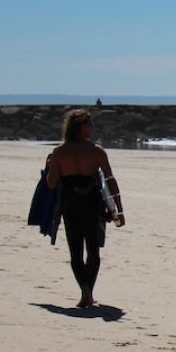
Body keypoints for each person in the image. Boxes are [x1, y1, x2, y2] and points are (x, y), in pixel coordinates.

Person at [46, 108, 124, 308]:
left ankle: (85, 291)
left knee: (75, 251)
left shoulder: (60, 152)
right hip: (91, 203)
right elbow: (110, 180)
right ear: (81, 127)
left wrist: (50, 167)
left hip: (70, 204)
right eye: (90, 124)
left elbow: (52, 183)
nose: (93, 128)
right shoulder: (96, 151)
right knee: (93, 250)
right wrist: (119, 210)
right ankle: (88, 289)